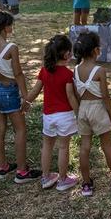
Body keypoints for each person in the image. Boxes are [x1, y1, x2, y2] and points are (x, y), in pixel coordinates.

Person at [0, 10, 41, 183]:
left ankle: (2, 166)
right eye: (10, 25)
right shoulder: (11, 48)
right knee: (20, 129)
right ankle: (22, 171)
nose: (12, 27)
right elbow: (18, 74)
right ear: (4, 27)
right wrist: (25, 97)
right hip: (9, 91)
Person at [72, 31, 111, 196]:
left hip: (83, 109)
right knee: (106, 146)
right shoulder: (99, 71)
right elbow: (105, 96)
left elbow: (77, 94)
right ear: (95, 50)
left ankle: (86, 184)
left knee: (84, 147)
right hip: (98, 109)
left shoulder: (75, 70)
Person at [26, 34, 80, 192]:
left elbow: (35, 90)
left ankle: (46, 177)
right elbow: (71, 96)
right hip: (65, 116)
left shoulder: (44, 71)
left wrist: (26, 103)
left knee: (47, 145)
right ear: (66, 54)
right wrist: (79, 114)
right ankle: (63, 179)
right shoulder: (68, 74)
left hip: (48, 116)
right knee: (63, 147)